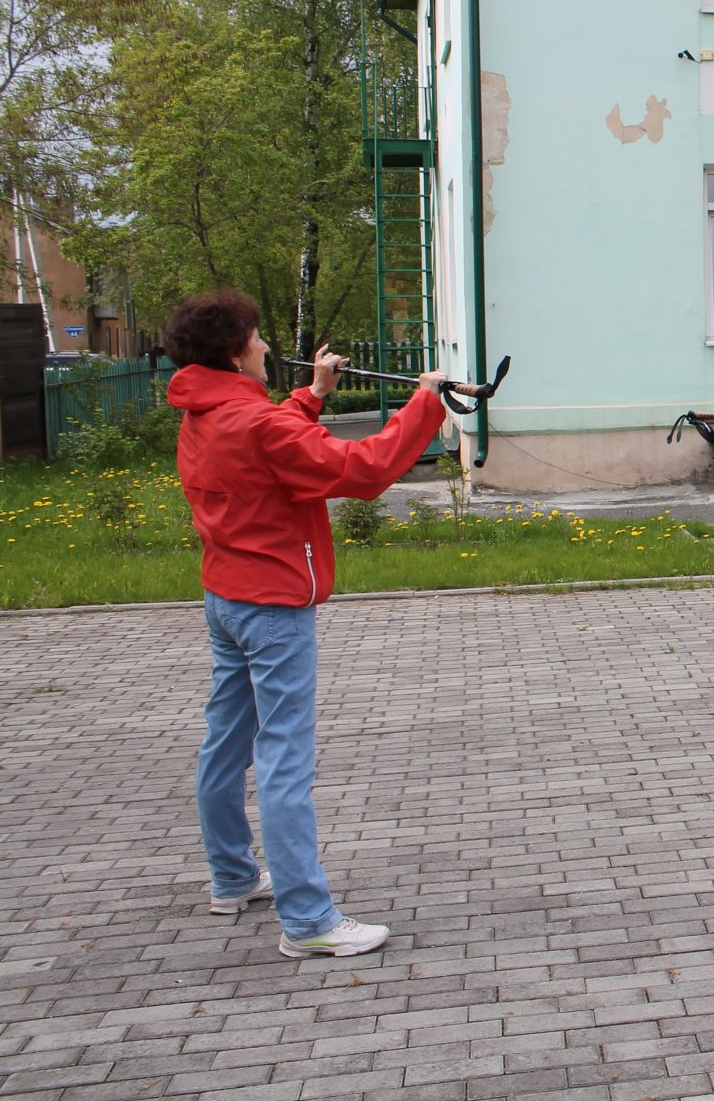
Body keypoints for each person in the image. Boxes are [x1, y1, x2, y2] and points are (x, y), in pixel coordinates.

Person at [164, 288, 448, 958]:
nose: (266, 347)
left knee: (226, 743)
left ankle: (233, 878)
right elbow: (366, 468)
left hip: (226, 600)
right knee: (284, 762)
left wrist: (312, 394)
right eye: (257, 338)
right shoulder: (256, 422)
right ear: (236, 352)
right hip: (270, 610)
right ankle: (309, 922)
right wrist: (426, 401)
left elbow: (271, 439)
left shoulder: (207, 408)